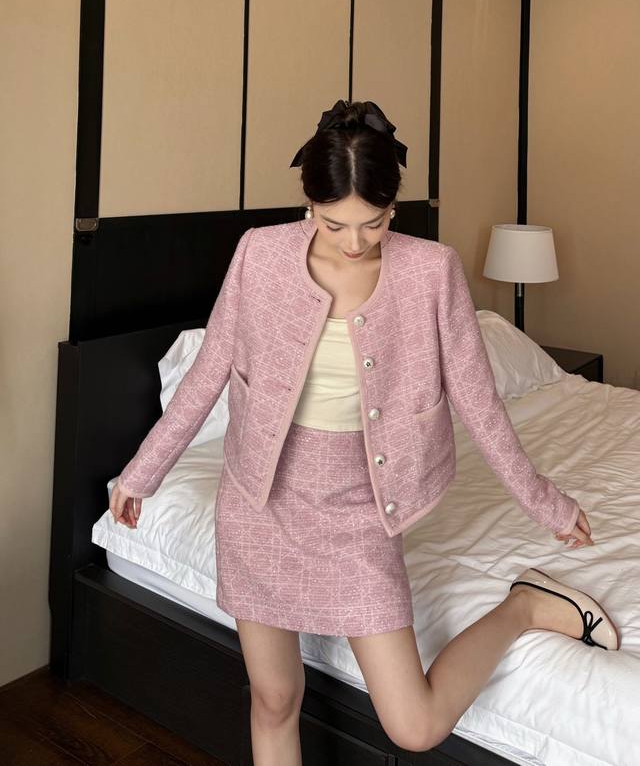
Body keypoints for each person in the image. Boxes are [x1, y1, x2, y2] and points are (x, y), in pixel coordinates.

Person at [110, 100, 619, 764]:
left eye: (372, 223)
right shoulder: (259, 254)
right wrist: (142, 473)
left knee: (414, 725)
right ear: (308, 203)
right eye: (333, 223)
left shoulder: (431, 271)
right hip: (258, 507)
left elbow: (478, 401)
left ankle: (523, 606)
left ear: (393, 208)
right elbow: (208, 372)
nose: (353, 242)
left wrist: (547, 504)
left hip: (362, 512)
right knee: (273, 699)